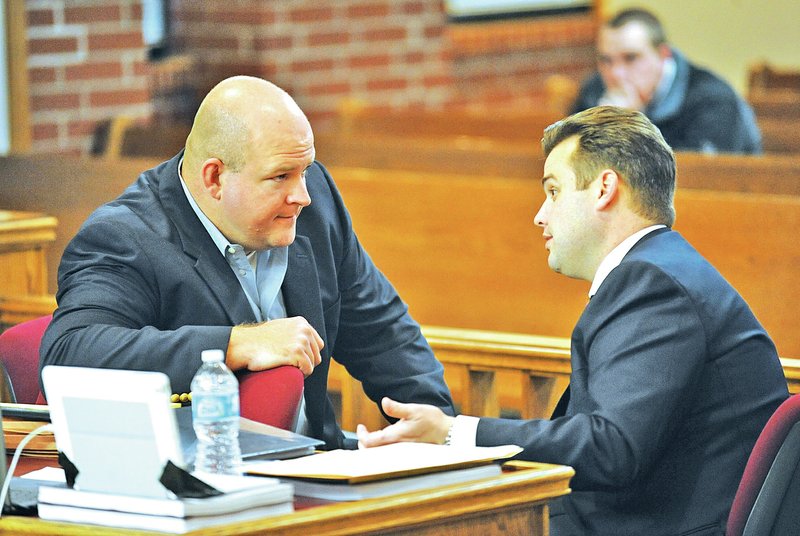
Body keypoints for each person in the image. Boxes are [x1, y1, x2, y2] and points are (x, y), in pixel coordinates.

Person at [356, 106, 789, 535]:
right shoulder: (659, 269)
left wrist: (453, 433)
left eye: (554, 191)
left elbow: (612, 449)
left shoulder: (653, 283)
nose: (540, 215)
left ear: (604, 189)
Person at [39, 75, 455, 450]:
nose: (303, 195)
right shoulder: (126, 236)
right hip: (200, 485)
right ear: (214, 178)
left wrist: (438, 425)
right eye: (280, 177)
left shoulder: (314, 202)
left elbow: (380, 327)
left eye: (305, 170)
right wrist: (235, 344)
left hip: (320, 466)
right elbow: (68, 351)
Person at [571, 8, 761, 154]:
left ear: (663, 55)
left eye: (631, 58)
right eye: (606, 60)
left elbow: (693, 180)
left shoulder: (712, 99)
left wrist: (632, 126)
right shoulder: (593, 91)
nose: (617, 74)